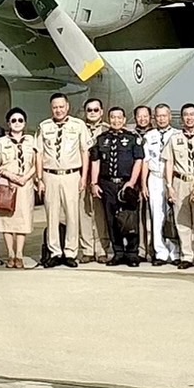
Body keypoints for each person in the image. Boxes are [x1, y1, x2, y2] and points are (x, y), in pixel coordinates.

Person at [37, 94, 90, 268]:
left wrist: (84, 176)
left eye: (61, 106)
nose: (58, 110)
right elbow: (39, 154)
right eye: (55, 107)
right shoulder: (44, 126)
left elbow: (84, 151)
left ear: (67, 107)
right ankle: (55, 251)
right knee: (51, 215)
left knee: (72, 215)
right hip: (50, 174)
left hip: (71, 174)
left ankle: (70, 251)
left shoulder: (78, 125)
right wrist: (40, 179)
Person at [90, 107, 146, 266]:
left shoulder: (132, 138)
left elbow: (139, 160)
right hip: (107, 184)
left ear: (124, 119)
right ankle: (118, 252)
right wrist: (94, 183)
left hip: (127, 184)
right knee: (111, 219)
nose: (116, 120)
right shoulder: (102, 139)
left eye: (119, 117)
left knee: (130, 219)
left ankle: (132, 253)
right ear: (109, 119)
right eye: (113, 117)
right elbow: (96, 161)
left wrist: (132, 182)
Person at [0, 108, 42, 269]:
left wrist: (26, 178)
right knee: (6, 221)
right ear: (8, 123)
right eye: (13, 120)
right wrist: (11, 176)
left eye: (20, 120)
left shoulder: (31, 141)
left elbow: (37, 163)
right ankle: (10, 254)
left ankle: (19, 254)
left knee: (22, 220)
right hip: (7, 185)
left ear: (25, 123)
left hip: (25, 185)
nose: (17, 123)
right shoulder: (2, 142)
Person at [165, 105, 194, 270]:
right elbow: (169, 162)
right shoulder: (174, 138)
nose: (189, 118)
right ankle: (186, 255)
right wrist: (169, 186)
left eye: (192, 114)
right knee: (182, 220)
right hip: (181, 181)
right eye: (186, 115)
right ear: (181, 118)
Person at [144, 105, 181, 266]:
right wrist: (144, 184)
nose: (161, 119)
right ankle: (160, 252)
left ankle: (175, 252)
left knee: (173, 215)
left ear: (169, 117)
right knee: (157, 215)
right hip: (155, 177)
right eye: (158, 116)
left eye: (164, 115)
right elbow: (145, 161)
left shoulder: (177, 135)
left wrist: (170, 184)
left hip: (172, 179)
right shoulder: (149, 135)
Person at [78, 97, 111, 264]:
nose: (92, 113)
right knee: (83, 213)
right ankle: (87, 249)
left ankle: (102, 248)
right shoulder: (78, 128)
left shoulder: (107, 130)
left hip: (100, 178)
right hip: (81, 175)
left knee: (100, 214)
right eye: (89, 110)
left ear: (102, 112)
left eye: (95, 110)